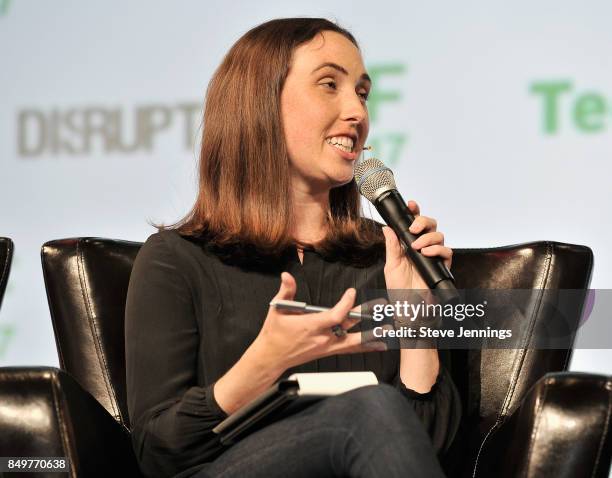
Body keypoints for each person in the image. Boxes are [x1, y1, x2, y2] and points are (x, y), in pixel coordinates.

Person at [125, 18, 461, 478]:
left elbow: (421, 446)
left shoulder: (387, 258)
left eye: (362, 93)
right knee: (366, 410)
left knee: (374, 410)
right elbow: (157, 452)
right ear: (260, 103)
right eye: (330, 85)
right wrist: (266, 362)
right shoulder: (176, 259)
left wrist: (415, 311)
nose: (358, 113)